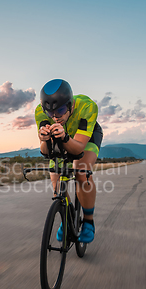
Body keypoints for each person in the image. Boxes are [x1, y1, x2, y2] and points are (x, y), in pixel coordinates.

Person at [35, 79, 103, 243]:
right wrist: (44, 140)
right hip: (60, 137)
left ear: (71, 105)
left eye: (61, 110)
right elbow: (45, 152)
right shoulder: (40, 112)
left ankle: (88, 221)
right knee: (56, 178)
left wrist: (65, 137)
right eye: (50, 113)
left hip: (86, 137)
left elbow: (78, 148)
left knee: (81, 172)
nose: (55, 117)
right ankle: (67, 216)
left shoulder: (87, 106)